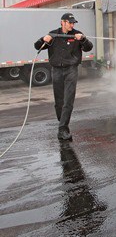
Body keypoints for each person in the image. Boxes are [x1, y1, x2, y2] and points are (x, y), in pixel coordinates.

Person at [34, 13, 93, 141]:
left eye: (73, 23)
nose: (72, 25)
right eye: (70, 22)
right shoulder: (53, 34)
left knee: (68, 100)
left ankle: (63, 128)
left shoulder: (77, 34)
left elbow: (89, 48)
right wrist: (43, 39)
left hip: (71, 70)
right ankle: (62, 121)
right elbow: (37, 46)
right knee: (59, 101)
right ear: (62, 22)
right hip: (56, 70)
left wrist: (83, 39)